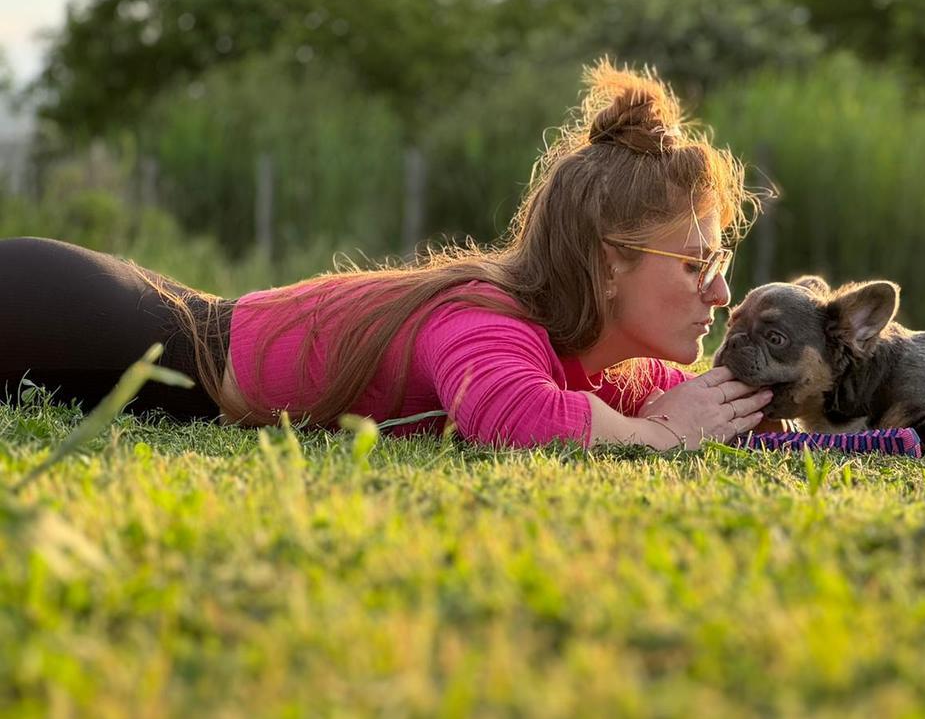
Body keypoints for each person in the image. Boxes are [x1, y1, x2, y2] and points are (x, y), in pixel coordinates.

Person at [0, 60, 774, 450]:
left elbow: (716, 404)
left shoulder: (611, 370)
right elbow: (510, 414)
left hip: (149, 345)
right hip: (108, 327)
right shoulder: (489, 320)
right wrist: (661, 436)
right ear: (610, 262)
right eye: (694, 261)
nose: (719, 291)